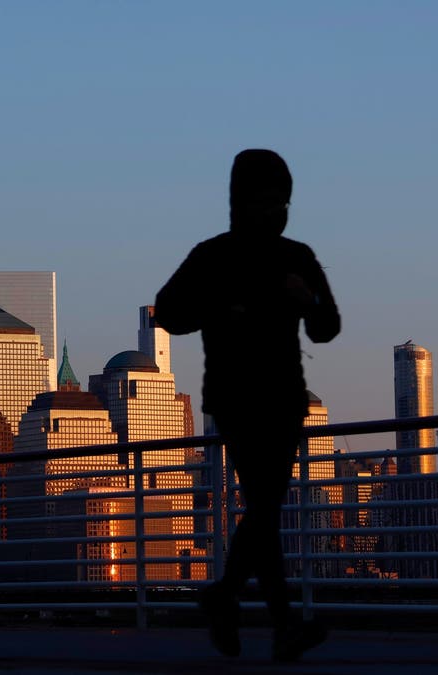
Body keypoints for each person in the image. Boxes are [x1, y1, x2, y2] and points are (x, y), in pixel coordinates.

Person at [153, 149, 340, 662]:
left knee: (264, 509)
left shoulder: (297, 257)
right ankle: (262, 615)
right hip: (236, 399)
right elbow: (166, 311)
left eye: (283, 200)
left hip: (283, 399)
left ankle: (228, 599)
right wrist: (221, 308)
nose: (276, 209)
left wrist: (309, 301)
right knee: (265, 507)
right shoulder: (213, 256)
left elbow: (327, 329)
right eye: (267, 199)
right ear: (242, 201)